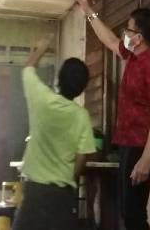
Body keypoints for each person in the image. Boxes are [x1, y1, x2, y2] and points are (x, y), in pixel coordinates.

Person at [75, 0, 150, 230]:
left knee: (134, 215)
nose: (124, 34)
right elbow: (109, 40)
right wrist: (88, 10)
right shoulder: (135, 54)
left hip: (141, 146)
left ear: (138, 37)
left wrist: (146, 159)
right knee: (128, 212)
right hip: (128, 143)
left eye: (128, 29)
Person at [13, 34, 96, 230]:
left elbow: (28, 69)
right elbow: (82, 157)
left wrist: (41, 48)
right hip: (62, 196)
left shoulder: (41, 98)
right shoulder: (81, 116)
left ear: (59, 79)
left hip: (34, 192)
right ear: (82, 89)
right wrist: (68, 178)